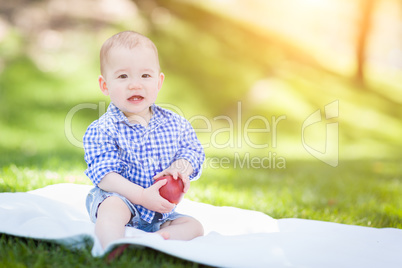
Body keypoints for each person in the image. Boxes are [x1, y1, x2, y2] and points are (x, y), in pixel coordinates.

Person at [83, 31, 205, 250]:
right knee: (111, 209)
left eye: (145, 76)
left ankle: (155, 241)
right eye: (123, 77)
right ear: (105, 85)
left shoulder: (174, 124)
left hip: (158, 211)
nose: (135, 85)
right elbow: (106, 176)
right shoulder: (102, 129)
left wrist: (179, 168)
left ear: (159, 82)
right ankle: (111, 245)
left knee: (194, 226)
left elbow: (192, 151)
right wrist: (140, 196)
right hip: (122, 199)